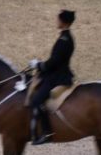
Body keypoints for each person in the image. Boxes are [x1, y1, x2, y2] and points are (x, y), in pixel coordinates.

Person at [28, 9, 76, 145]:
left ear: (63, 22)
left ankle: (47, 132)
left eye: (58, 19)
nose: (57, 21)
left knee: (36, 100)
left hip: (58, 76)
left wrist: (39, 65)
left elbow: (54, 61)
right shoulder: (65, 37)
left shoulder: (64, 40)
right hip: (56, 72)